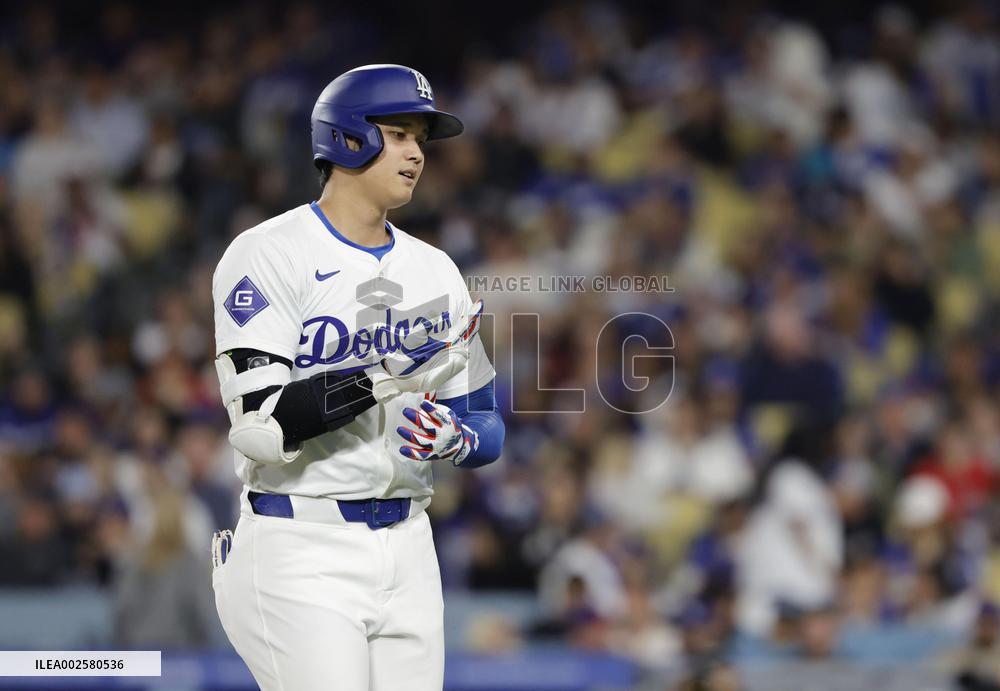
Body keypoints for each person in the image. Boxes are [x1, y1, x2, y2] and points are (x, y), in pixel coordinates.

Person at [209, 64, 505, 691]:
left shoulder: (437, 272)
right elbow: (262, 424)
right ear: (348, 139)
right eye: (399, 134)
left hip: (408, 545)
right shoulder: (269, 252)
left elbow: (489, 425)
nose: (416, 153)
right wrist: (383, 375)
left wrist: (456, 438)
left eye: (420, 139)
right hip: (301, 541)